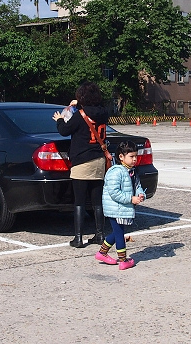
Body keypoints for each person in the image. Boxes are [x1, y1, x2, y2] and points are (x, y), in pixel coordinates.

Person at [53, 81, 109, 248]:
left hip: (82, 161)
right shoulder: (104, 113)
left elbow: (64, 130)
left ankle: (78, 238)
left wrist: (60, 119)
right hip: (99, 160)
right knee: (96, 201)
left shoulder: (80, 115)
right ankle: (100, 234)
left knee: (79, 201)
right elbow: (97, 107)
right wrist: (81, 104)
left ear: (81, 97)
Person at [95, 141, 145, 270]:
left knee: (118, 231)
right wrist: (130, 199)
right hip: (114, 208)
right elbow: (114, 193)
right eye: (131, 156)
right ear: (121, 157)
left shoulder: (132, 171)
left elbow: (137, 186)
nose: (134, 159)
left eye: (136, 156)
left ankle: (102, 253)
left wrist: (140, 194)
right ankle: (123, 260)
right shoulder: (116, 172)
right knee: (119, 233)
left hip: (122, 208)